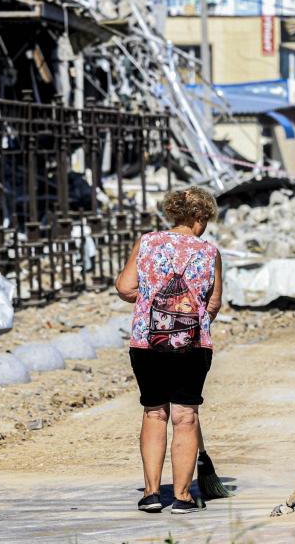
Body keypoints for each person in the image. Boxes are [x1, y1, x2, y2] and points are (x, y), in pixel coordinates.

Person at [115, 187, 223, 514]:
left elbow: (124, 286)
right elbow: (214, 302)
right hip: (192, 345)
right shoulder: (209, 251)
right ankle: (182, 497)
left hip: (148, 343)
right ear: (199, 217)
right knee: (185, 415)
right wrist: (190, 314)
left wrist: (151, 300)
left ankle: (150, 494)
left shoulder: (146, 242)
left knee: (154, 411)